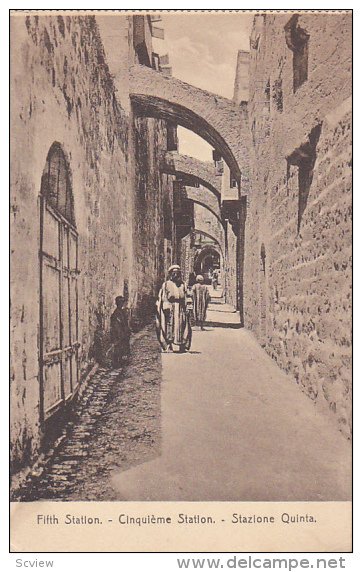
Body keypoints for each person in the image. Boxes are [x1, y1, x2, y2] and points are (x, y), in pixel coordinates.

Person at [156, 265, 192, 353]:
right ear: (171, 274)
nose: (176, 275)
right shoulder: (166, 284)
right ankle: (168, 345)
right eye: (174, 273)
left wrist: (188, 307)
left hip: (181, 308)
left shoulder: (183, 284)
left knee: (183, 326)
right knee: (169, 326)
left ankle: (182, 345)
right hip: (170, 308)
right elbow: (163, 297)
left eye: (177, 273)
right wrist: (166, 306)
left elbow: (187, 296)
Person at [110, 296, 131, 368]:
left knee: (122, 348)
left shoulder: (121, 312)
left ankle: (121, 362)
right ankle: (117, 364)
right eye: (120, 302)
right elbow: (116, 326)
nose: (122, 304)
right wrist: (120, 335)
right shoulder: (116, 314)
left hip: (122, 334)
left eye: (122, 302)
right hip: (119, 334)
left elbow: (125, 323)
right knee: (118, 349)